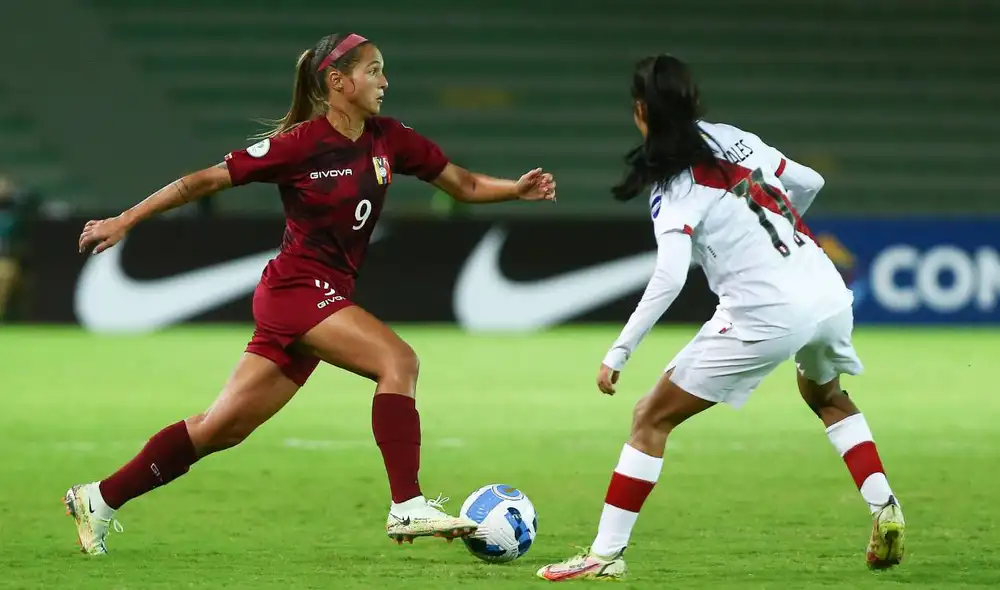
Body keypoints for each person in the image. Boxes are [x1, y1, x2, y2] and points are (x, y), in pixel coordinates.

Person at [66, 32, 557, 556]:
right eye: (374, 71)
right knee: (398, 361)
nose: (385, 81)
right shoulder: (299, 145)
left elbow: (464, 185)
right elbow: (202, 182)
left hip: (318, 295)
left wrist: (515, 189)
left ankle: (100, 498)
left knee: (219, 429)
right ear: (338, 81)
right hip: (296, 290)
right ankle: (407, 504)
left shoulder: (390, 138)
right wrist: (125, 220)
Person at [536, 54, 903, 582]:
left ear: (641, 111)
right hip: (826, 290)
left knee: (650, 417)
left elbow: (669, 278)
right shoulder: (734, 137)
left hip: (765, 312)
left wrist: (619, 351)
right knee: (826, 396)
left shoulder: (674, 186)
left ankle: (605, 555)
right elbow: (811, 181)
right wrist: (779, 237)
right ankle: (884, 505)